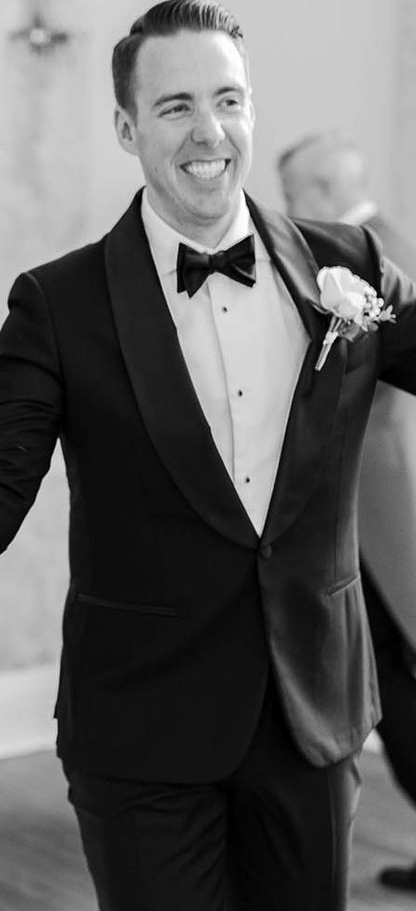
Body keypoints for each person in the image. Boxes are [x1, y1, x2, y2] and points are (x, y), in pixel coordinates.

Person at [0, 0, 416, 910]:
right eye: (175, 107)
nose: (207, 130)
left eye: (228, 100)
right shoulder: (61, 306)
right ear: (127, 127)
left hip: (313, 717)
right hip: (142, 729)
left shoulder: (352, 268)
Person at [279, 131, 416, 895]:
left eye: (294, 192)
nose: (288, 209)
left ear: (325, 192)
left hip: (382, 501)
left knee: (398, 686)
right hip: (382, 494)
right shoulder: (388, 241)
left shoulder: (366, 259)